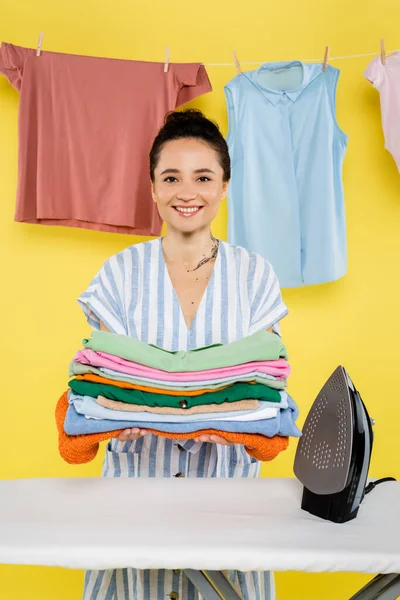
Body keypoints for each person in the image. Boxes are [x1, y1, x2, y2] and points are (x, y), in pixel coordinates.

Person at [78, 109, 288, 600]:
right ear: (153, 187)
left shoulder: (255, 276)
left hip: (229, 496)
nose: (186, 192)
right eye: (171, 177)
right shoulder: (119, 274)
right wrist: (111, 413)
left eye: (203, 177)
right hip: (134, 492)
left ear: (224, 186)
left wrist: (253, 424)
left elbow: (266, 389)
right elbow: (103, 380)